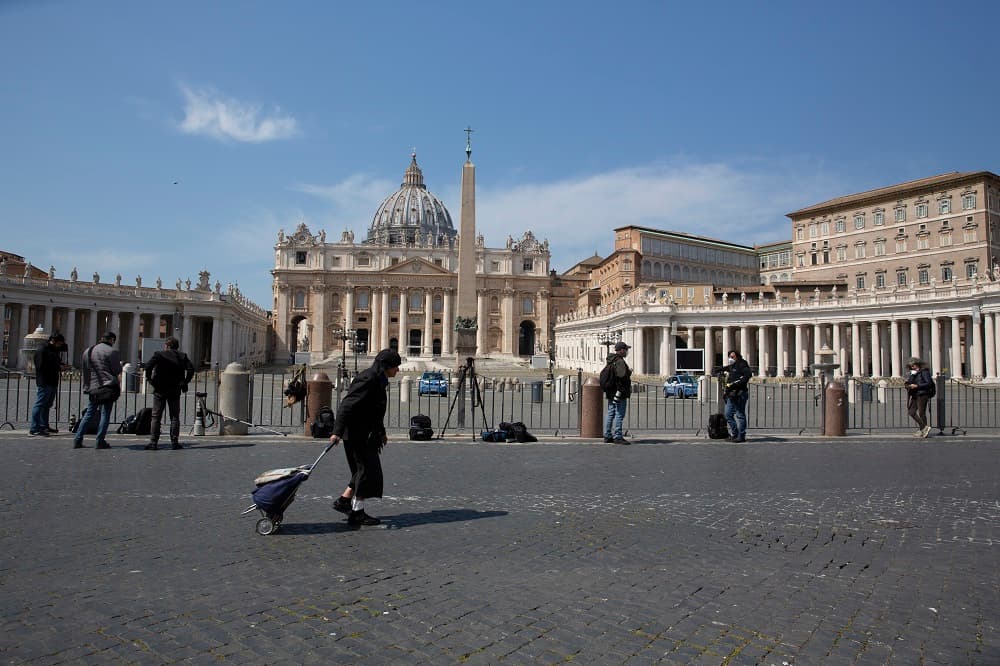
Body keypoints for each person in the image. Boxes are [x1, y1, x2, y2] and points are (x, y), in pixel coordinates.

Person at [328, 349, 402, 526]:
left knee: (363, 470)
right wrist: (336, 432)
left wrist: (382, 432)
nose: (398, 370)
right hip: (356, 433)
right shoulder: (369, 378)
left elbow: (374, 412)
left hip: (365, 433)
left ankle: (344, 501)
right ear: (387, 366)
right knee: (365, 471)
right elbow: (347, 404)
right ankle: (357, 512)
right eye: (396, 367)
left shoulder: (378, 379)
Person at [143, 336, 195, 450]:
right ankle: (174, 442)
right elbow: (191, 369)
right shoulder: (182, 356)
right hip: (175, 388)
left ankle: (153, 442)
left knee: (156, 416)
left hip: (160, 388)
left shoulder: (159, 354)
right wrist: (184, 382)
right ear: (177, 346)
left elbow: (147, 367)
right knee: (174, 416)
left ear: (166, 346)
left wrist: (149, 379)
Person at [73, 332, 122, 450]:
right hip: (107, 387)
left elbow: (85, 370)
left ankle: (78, 439)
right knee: (105, 414)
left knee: (89, 414)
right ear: (111, 340)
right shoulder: (112, 352)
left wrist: (87, 386)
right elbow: (116, 370)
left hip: (93, 387)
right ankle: (100, 441)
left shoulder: (88, 351)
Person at [29, 333, 67, 436]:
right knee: (40, 404)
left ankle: (44, 426)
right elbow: (40, 367)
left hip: (52, 381)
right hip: (45, 381)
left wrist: (62, 365)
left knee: (47, 405)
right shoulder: (42, 350)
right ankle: (34, 428)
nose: (60, 346)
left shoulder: (53, 350)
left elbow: (55, 363)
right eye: (59, 343)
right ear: (54, 341)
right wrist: (58, 367)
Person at [602, 341, 633, 445]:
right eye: (626, 350)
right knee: (619, 414)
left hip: (611, 391)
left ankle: (607, 435)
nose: (627, 352)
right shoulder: (619, 361)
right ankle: (618, 436)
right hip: (619, 391)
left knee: (611, 413)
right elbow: (621, 376)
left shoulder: (611, 360)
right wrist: (628, 373)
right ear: (621, 350)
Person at [723, 350, 752, 442]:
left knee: (740, 415)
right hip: (731, 394)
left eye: (733, 357)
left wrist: (738, 383)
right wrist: (720, 369)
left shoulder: (742, 364)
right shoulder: (733, 366)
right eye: (730, 357)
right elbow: (728, 368)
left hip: (740, 393)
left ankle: (741, 435)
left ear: (737, 356)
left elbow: (748, 374)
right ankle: (735, 433)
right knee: (728, 414)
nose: (731, 359)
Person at [905, 356, 934, 438]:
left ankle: (923, 430)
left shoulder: (924, 372)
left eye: (913, 365)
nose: (912, 367)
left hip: (922, 394)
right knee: (911, 412)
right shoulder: (913, 373)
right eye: (911, 366)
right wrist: (908, 384)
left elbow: (928, 383)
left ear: (917, 364)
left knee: (921, 413)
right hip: (914, 395)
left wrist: (917, 386)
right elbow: (909, 382)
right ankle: (924, 428)